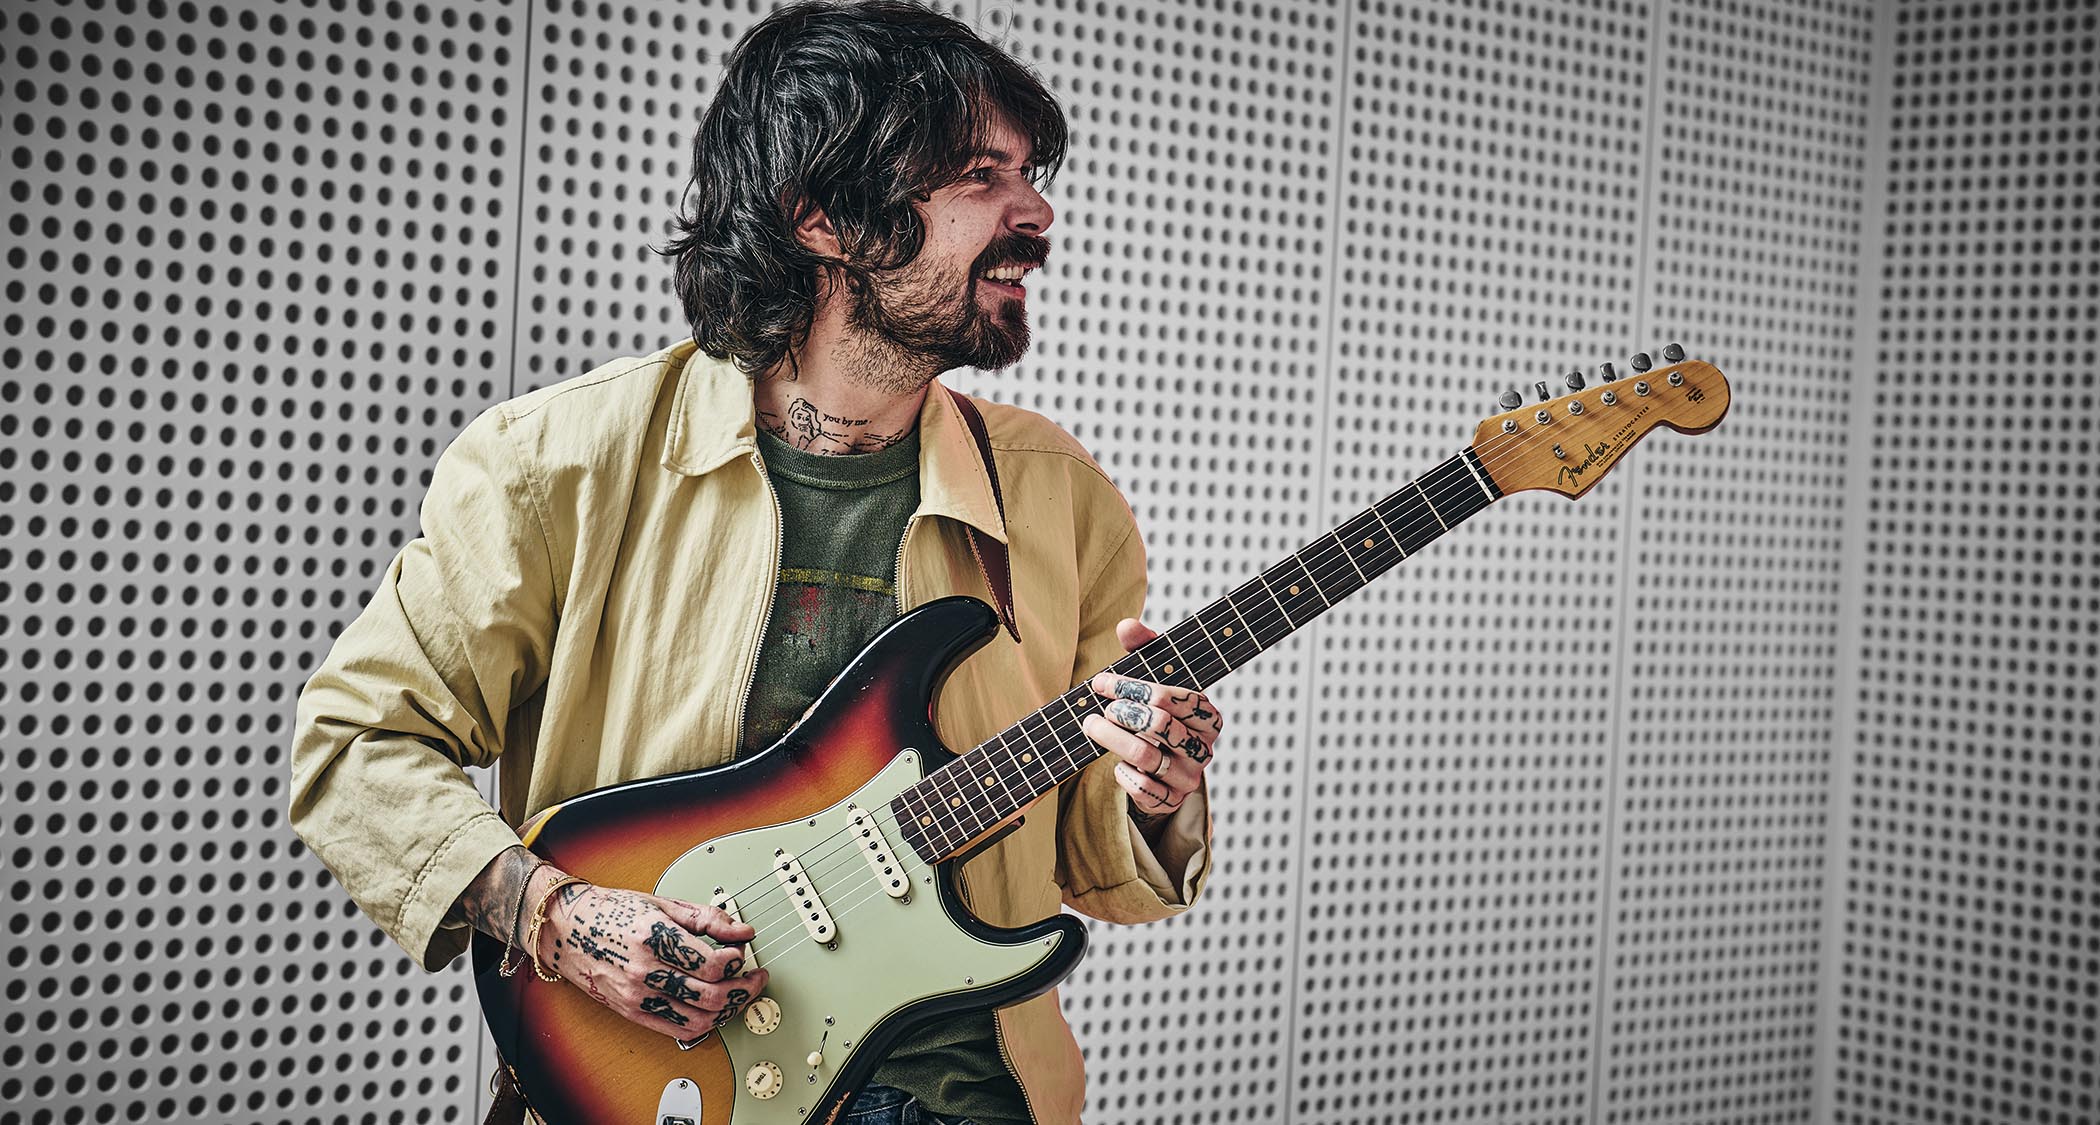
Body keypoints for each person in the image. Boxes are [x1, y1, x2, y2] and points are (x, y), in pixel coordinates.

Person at [289, 2, 1219, 1122]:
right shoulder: (556, 462)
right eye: (981, 176)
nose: (1037, 212)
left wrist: (1153, 793)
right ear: (820, 217)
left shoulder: (1061, 496)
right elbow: (357, 746)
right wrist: (554, 916)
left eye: (1028, 174)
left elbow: (1085, 860)